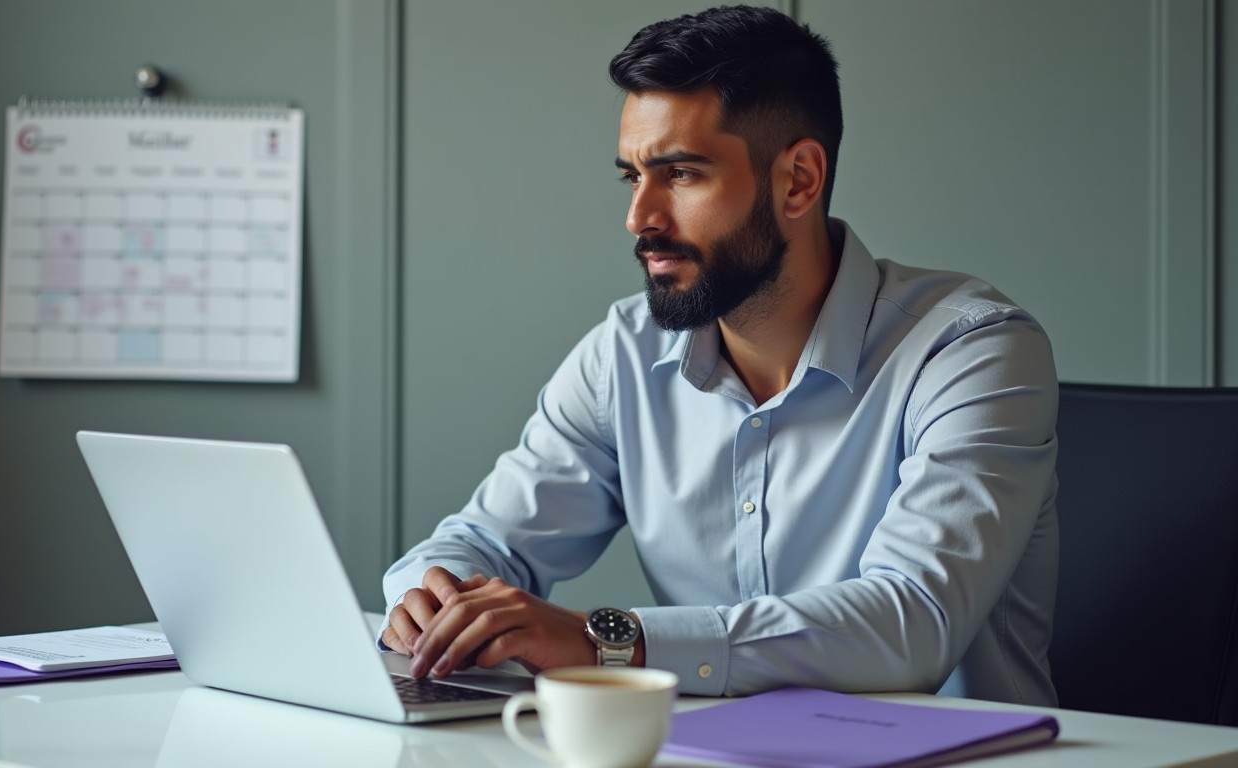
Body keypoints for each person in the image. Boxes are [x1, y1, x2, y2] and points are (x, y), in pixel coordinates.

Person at [380, 4, 1059, 706]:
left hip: (959, 752)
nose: (640, 218)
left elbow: (911, 622)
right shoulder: (624, 355)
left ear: (799, 179)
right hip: (703, 751)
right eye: (632, 176)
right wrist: (431, 602)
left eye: (680, 174)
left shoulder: (972, 352)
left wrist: (606, 641)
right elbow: (484, 541)